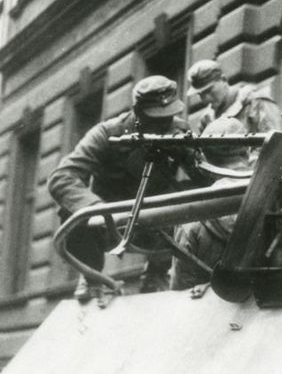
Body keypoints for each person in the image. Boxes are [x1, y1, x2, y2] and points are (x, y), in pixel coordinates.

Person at [48, 75, 199, 300]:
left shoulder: (178, 130)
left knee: (191, 196)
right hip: (110, 224)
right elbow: (61, 177)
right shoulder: (107, 133)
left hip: (154, 223)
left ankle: (157, 273)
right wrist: (98, 209)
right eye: (157, 119)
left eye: (169, 116)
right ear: (138, 113)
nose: (165, 124)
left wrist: (197, 153)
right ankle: (92, 277)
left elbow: (203, 174)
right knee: (73, 211)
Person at [170, 116, 251, 291]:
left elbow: (180, 289)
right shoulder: (277, 193)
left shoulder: (192, 215)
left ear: (205, 158)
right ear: (248, 152)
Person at [187, 59, 282, 135]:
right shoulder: (206, 119)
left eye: (209, 90)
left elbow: (277, 145)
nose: (205, 99)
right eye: (200, 94)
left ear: (224, 80)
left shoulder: (256, 103)